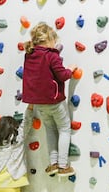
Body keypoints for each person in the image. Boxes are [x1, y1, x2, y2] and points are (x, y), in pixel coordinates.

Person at [22, 22, 77, 177]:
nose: (55, 44)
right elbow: (62, 75)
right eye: (54, 40)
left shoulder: (29, 55)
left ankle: (52, 163)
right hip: (54, 101)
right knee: (64, 128)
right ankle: (63, 165)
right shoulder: (51, 55)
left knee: (50, 130)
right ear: (48, 40)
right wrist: (71, 69)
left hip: (39, 102)